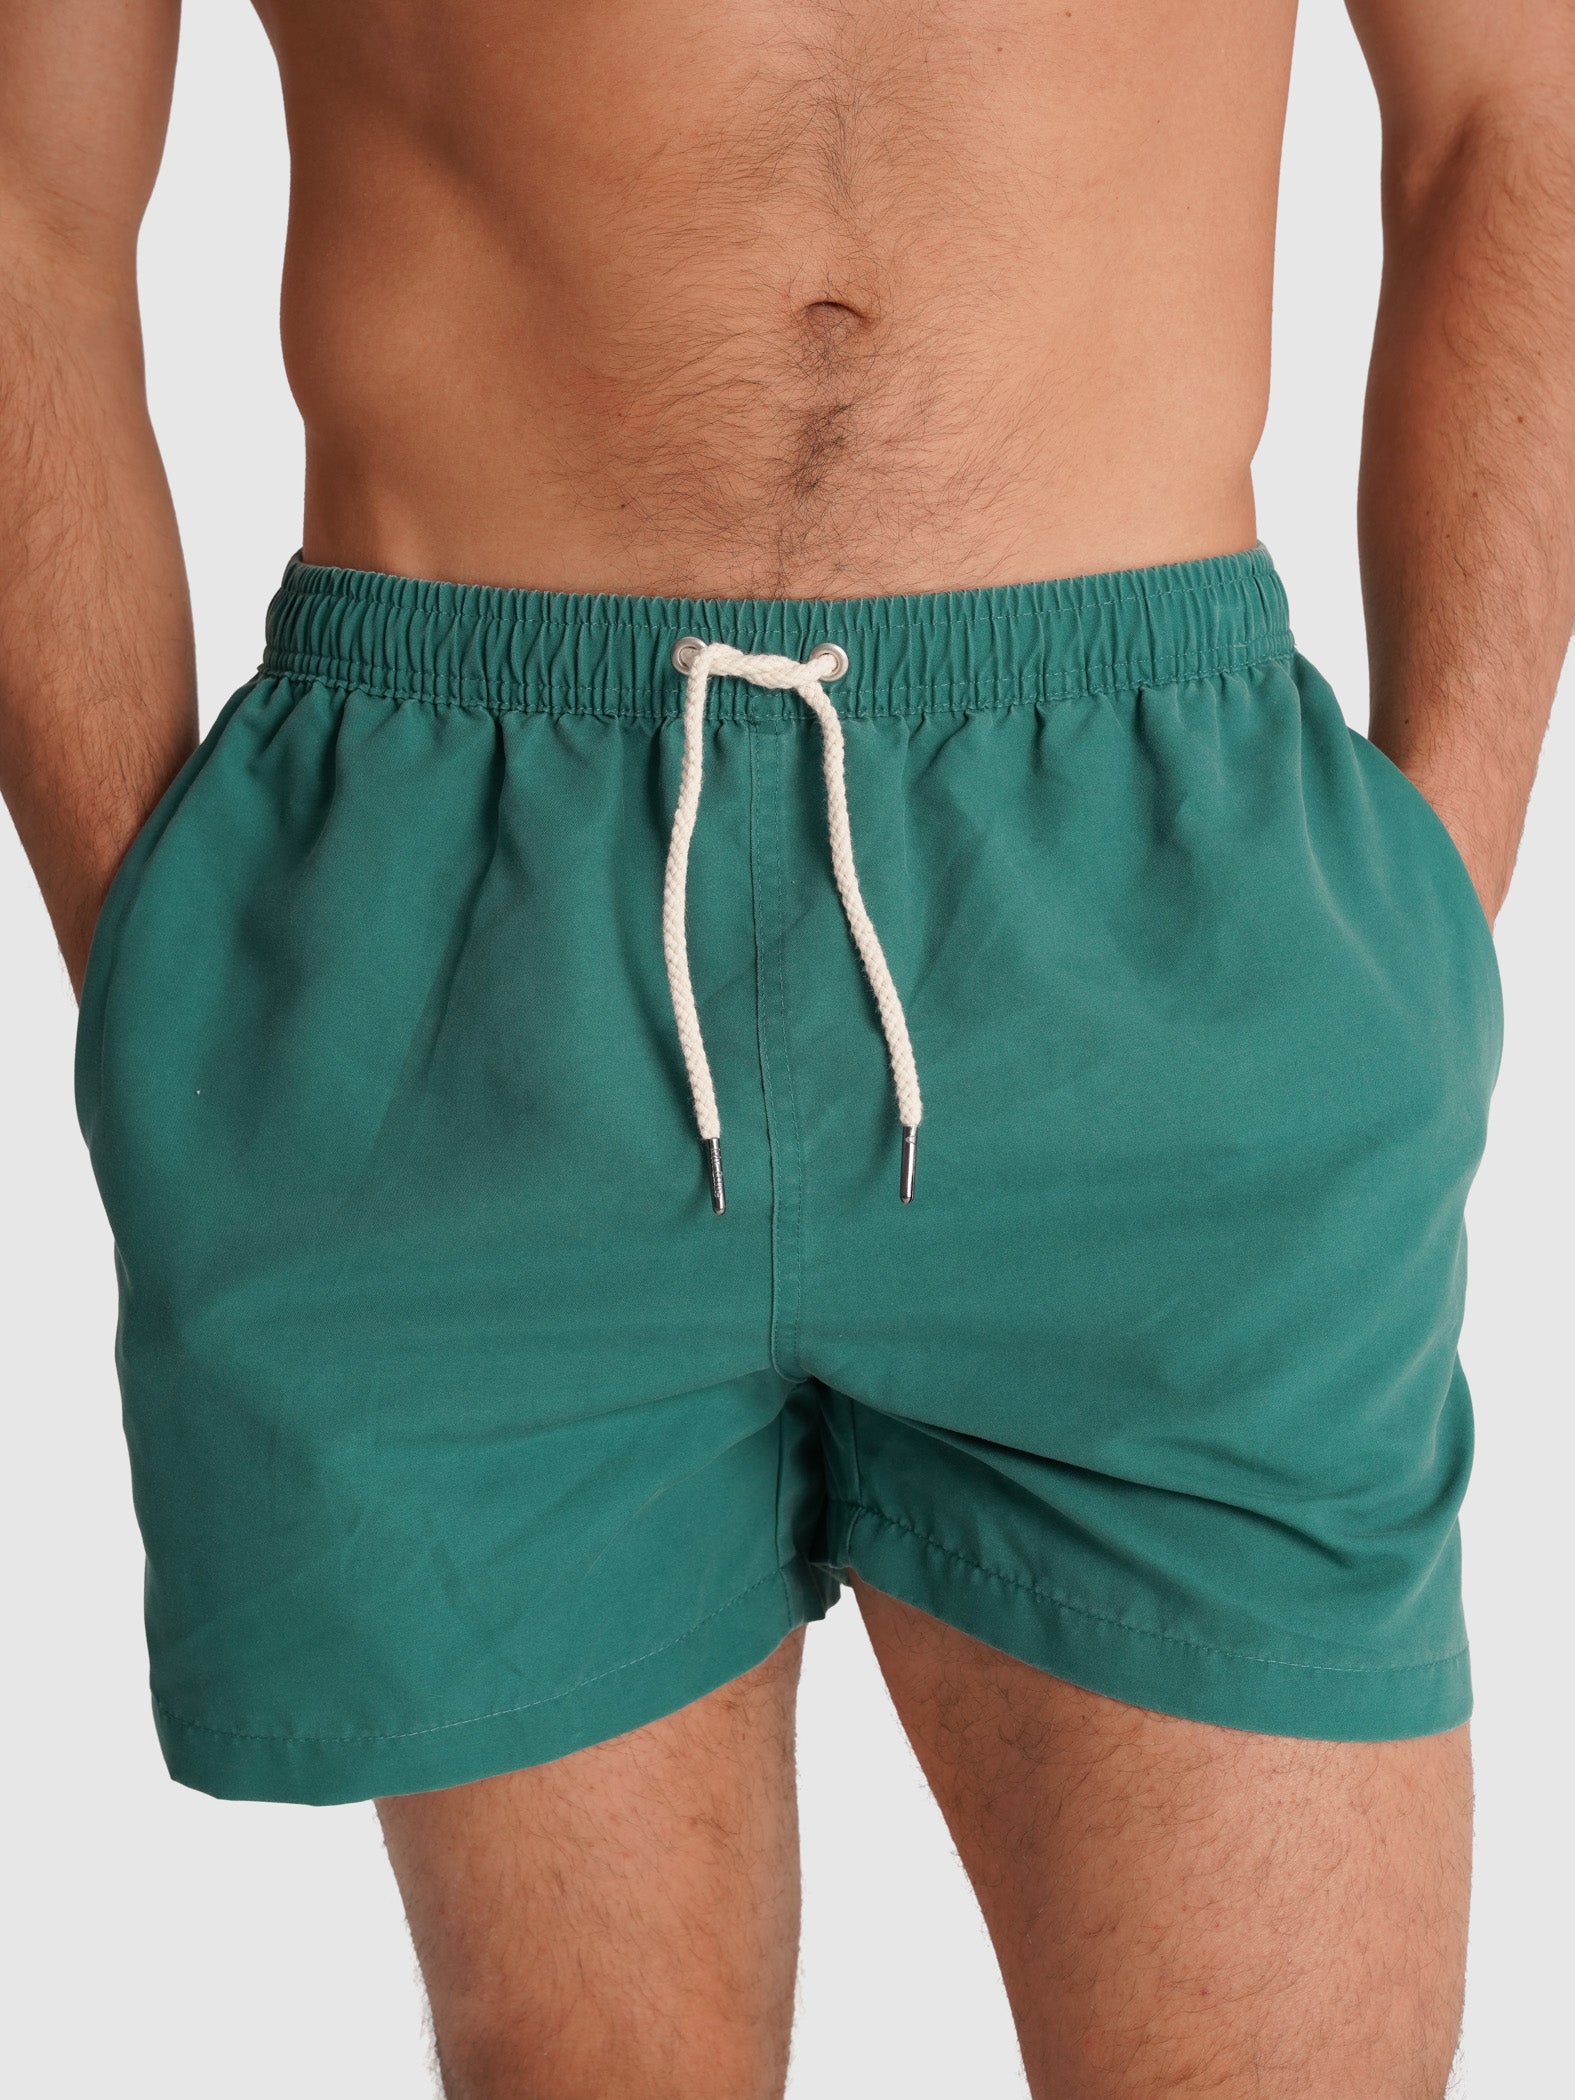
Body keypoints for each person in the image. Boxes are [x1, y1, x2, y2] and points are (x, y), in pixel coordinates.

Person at [2, 2, 1571, 2093]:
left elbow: (1512, 110)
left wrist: (1431, 889)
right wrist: (170, 963)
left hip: (1158, 880)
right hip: (457, 903)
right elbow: (23, 204)